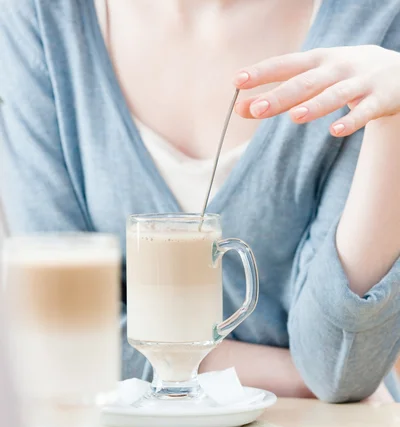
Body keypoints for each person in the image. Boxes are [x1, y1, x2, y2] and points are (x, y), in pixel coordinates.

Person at [0, 0, 399, 402]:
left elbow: (341, 369)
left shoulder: (379, 23)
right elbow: (59, 331)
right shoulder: (41, 15)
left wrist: (394, 122)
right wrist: (297, 376)